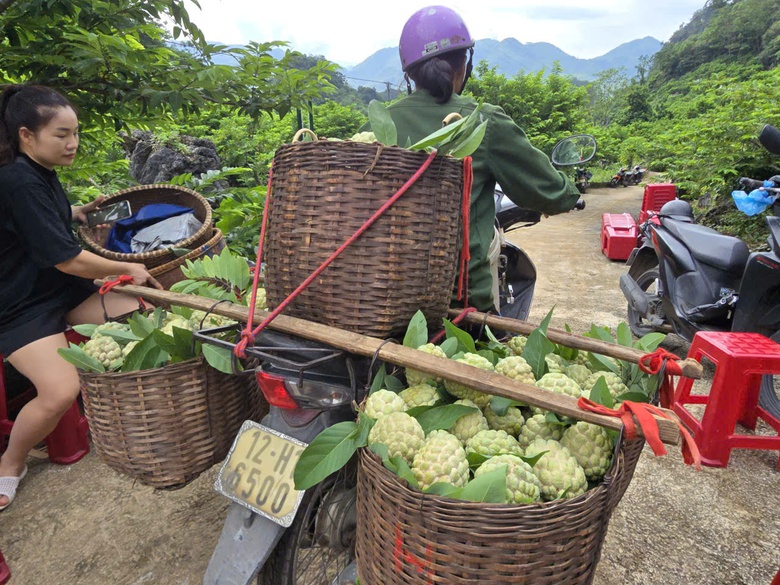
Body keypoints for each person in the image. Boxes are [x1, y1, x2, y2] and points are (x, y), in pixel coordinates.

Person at [0, 84, 162, 511]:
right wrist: (126, 267)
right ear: (26, 135)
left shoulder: (39, 172)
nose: (71, 143)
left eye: (75, 133)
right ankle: (11, 462)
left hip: (57, 290)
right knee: (59, 391)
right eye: (61, 134)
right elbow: (68, 260)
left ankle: (128, 406)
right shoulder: (17, 180)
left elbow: (41, 222)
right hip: (19, 305)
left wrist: (75, 212)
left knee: (143, 312)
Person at [365, 5, 580, 313]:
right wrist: (568, 195)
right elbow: (546, 189)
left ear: (409, 74)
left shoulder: (375, 124)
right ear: (463, 66)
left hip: (378, 293)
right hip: (458, 301)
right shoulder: (481, 122)